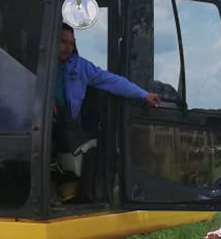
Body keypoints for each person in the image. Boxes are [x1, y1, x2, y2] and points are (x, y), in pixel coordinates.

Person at [53, 24, 160, 200]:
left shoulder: (80, 67)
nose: (68, 47)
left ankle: (81, 196)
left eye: (72, 44)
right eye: (63, 42)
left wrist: (143, 94)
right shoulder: (37, 66)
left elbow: (111, 81)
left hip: (67, 128)